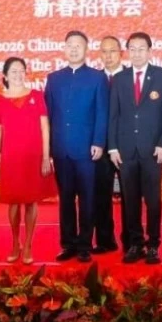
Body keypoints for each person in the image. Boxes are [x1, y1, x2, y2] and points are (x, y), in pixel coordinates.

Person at [109, 32, 162, 264]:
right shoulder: (120, 79)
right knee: (130, 199)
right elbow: (113, 115)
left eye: (141, 49)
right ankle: (135, 243)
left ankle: (154, 244)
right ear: (127, 52)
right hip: (126, 150)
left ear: (149, 51)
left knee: (153, 199)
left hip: (153, 150)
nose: (137, 53)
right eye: (133, 49)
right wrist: (112, 147)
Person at [45, 30, 108, 263]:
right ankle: (68, 244)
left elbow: (102, 112)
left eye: (78, 45)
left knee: (88, 197)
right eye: (69, 45)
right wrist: (49, 148)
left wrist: (98, 141)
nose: (73, 49)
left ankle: (84, 244)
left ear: (86, 49)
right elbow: (49, 115)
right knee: (66, 198)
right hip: (61, 148)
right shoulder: (54, 78)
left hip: (87, 148)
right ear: (64, 48)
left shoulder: (97, 77)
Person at [0, 57, 56, 264]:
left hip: (34, 156)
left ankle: (28, 244)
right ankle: (15, 242)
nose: (18, 74)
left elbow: (44, 127)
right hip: (11, 157)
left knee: (31, 201)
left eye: (22, 70)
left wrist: (46, 156)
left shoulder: (37, 96)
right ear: (5, 75)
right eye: (13, 71)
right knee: (13, 203)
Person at [92, 36, 125, 253]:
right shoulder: (95, 79)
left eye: (112, 51)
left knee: (130, 197)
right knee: (100, 195)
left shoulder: (131, 77)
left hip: (127, 146)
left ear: (121, 53)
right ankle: (105, 241)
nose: (108, 56)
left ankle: (132, 241)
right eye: (104, 52)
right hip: (101, 147)